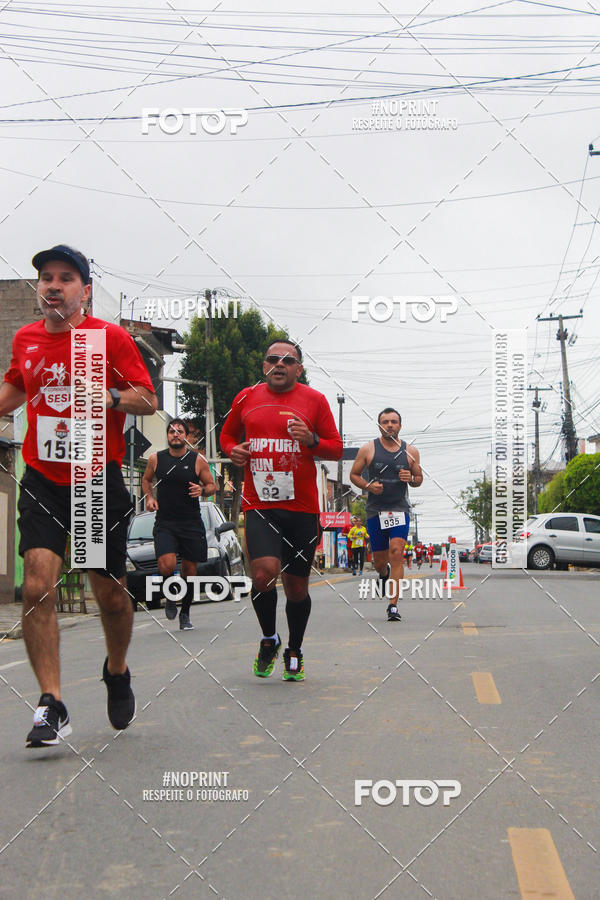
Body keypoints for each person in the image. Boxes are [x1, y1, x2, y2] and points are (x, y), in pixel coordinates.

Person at [0, 244, 157, 747]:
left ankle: (116, 669)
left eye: (65, 278)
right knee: (36, 586)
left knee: (110, 595)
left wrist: (110, 396)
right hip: (44, 477)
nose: (52, 285)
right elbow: (14, 389)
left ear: (84, 291)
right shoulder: (26, 338)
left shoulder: (106, 338)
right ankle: (52, 703)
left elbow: (147, 396)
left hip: (94, 478)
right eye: (46, 277)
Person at [220, 339, 342, 681]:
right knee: (262, 574)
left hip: (301, 508)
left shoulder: (314, 400)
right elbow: (227, 436)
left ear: (298, 369)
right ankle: (269, 638)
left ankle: (295, 649)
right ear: (264, 366)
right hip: (260, 503)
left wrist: (312, 441)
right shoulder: (246, 397)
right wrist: (234, 450)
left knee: (296, 587)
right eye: (273, 359)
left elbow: (335, 448)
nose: (279, 365)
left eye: (288, 361)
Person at [141, 419, 217, 630]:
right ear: (167, 436)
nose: (175, 434)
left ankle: (185, 613)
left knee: (190, 571)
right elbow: (146, 480)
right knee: (166, 564)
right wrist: (149, 497)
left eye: (180, 431)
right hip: (165, 521)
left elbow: (212, 485)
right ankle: (171, 596)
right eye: (172, 431)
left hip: (191, 522)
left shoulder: (197, 460)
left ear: (186, 436)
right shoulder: (156, 459)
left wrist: (202, 490)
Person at [350, 408, 423, 622]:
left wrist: (410, 478)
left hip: (399, 508)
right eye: (385, 422)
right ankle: (383, 574)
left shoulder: (411, 451)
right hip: (375, 510)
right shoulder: (368, 449)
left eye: (393, 421)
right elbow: (353, 475)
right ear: (379, 425)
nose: (389, 425)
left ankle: (393, 605)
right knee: (380, 561)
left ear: (400, 425)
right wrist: (368, 486)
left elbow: (419, 479)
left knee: (397, 551)